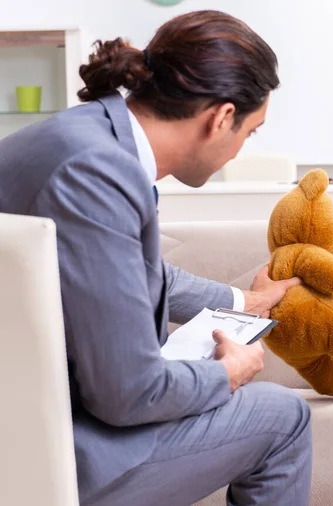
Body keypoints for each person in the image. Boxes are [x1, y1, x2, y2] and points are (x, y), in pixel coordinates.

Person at [0, 11, 312, 506]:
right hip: (50, 451)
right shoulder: (98, 173)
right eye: (250, 133)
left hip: (28, 422)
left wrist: (246, 301)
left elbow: (130, 272)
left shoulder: (82, 136)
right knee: (284, 418)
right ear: (222, 118)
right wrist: (225, 374)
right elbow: (128, 393)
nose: (239, 150)